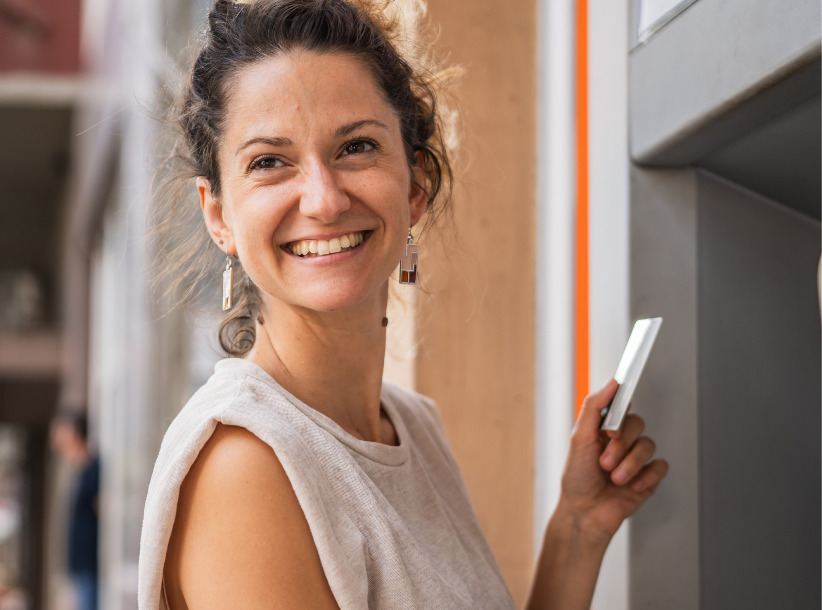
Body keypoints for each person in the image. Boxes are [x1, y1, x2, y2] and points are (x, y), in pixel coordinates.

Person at [138, 2, 669, 609]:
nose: (324, 198)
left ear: (415, 186)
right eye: (269, 162)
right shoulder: (245, 465)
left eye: (356, 147)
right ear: (218, 214)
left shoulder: (413, 425)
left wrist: (577, 528)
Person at [52, 411, 100, 610]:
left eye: (59, 429)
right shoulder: (77, 469)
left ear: (73, 432)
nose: (54, 435)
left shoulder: (93, 469)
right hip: (80, 563)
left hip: (91, 562)